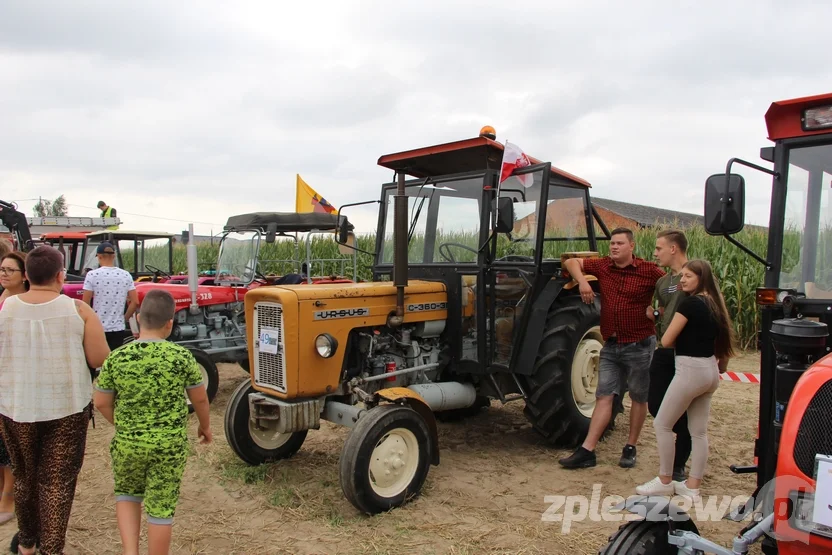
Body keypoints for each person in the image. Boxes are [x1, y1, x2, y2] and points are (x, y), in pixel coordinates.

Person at [0, 246, 110, 555]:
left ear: (27, 275)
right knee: (57, 482)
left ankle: (26, 543)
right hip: (66, 407)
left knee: (23, 476)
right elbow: (98, 357)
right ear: (60, 275)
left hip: (14, 406)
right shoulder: (78, 310)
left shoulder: (5, 308)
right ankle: (51, 549)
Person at [94, 289, 212, 555]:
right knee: (160, 507)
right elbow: (200, 400)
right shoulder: (181, 357)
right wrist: (204, 426)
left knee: (127, 495)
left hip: (128, 442)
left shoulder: (117, 357)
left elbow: (101, 402)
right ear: (170, 323)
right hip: (168, 447)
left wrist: (124, 425)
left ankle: (130, 552)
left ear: (137, 317)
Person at [559, 228, 665, 469]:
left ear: (631, 246)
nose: (614, 247)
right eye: (612, 243)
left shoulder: (649, 271)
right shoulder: (604, 266)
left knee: (639, 397)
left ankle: (631, 446)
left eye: (619, 243)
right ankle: (587, 450)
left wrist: (657, 312)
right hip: (611, 345)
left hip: (639, 344)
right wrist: (583, 281)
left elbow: (677, 292)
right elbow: (573, 261)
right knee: (604, 395)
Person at [635, 259, 736, 500]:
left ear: (701, 278)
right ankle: (692, 487)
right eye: (682, 276)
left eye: (688, 276)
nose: (682, 280)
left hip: (690, 369)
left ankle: (665, 480)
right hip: (710, 371)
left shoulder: (690, 305)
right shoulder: (715, 304)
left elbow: (667, 340)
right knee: (698, 432)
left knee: (662, 424)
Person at [646, 229, 691, 482]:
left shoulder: (695, 275)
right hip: (664, 350)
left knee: (686, 409)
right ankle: (681, 436)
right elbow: (662, 311)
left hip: (687, 352)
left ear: (673, 248)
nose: (655, 253)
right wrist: (652, 315)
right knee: (656, 404)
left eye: (659, 248)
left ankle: (678, 464)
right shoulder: (663, 282)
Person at [0, 251, 29, 523]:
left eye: (11, 270)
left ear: (24, 276)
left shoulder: (21, 304)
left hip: (11, 378)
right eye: (2, 269)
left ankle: (9, 501)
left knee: (6, 444)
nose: (4, 273)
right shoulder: (2, 299)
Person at [82, 242, 139, 352]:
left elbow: (85, 303)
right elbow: (135, 301)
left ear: (99, 256)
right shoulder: (126, 275)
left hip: (97, 327)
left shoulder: (92, 275)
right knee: (113, 362)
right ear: (114, 256)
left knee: (95, 362)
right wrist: (124, 319)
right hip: (118, 328)